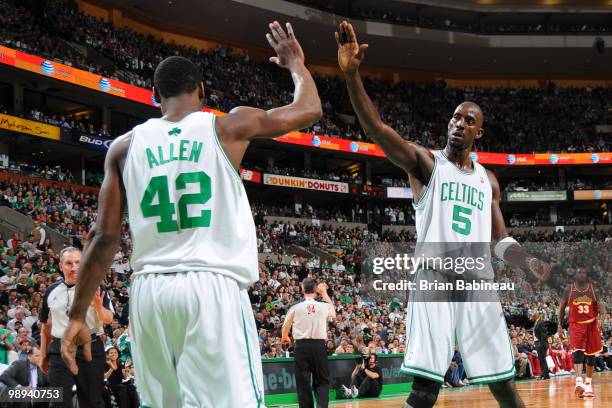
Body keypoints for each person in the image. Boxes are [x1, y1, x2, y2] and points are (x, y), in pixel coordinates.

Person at [61, 21, 321, 408]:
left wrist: (78, 314)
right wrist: (296, 64)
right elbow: (309, 109)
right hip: (210, 287)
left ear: (154, 94)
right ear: (201, 90)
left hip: (149, 292)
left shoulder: (123, 147)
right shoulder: (227, 127)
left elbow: (103, 238)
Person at [334, 21, 551, 408]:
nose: (459, 123)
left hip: (478, 285)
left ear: (478, 133)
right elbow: (379, 129)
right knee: (425, 390)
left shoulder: (489, 180)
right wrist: (352, 76)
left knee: (504, 383)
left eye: (469, 120)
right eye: (455, 117)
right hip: (434, 279)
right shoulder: (426, 164)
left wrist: (527, 260)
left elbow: (499, 241)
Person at [39, 247, 113, 408]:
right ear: (61, 266)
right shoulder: (51, 291)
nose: (74, 268)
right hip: (60, 349)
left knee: (92, 401)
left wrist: (99, 307)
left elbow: (108, 319)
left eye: (78, 263)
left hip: (90, 348)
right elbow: (45, 327)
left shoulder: (96, 287)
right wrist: (43, 354)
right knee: (57, 401)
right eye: (69, 263)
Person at [281, 279, 335, 408]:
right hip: (318, 346)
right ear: (316, 290)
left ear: (302, 290)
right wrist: (325, 293)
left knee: (303, 381)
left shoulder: (295, 307)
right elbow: (333, 313)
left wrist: (285, 337)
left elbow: (285, 326)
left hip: (301, 347)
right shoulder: (324, 306)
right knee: (322, 380)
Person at [558, 267, 605, 398]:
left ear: (587, 275)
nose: (581, 274)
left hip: (591, 324)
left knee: (590, 356)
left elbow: (603, 309)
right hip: (575, 325)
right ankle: (579, 382)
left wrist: (601, 319)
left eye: (584, 272)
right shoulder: (569, 289)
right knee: (577, 352)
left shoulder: (593, 289)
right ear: (575, 274)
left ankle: (588, 385)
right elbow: (561, 309)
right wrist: (559, 325)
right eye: (579, 272)